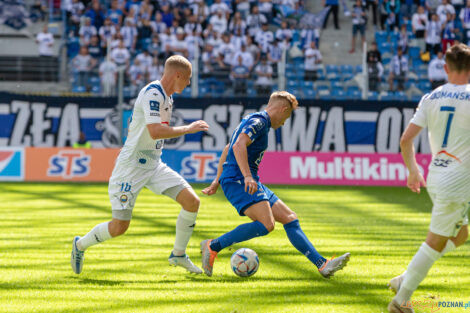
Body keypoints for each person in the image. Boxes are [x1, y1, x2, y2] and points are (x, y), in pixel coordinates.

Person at [71, 55, 210, 275]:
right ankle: (80, 245)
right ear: (178, 75)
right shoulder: (152, 94)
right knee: (119, 227)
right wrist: (187, 128)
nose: (189, 83)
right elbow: (155, 131)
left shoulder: (168, 97)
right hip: (131, 166)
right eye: (188, 78)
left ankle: (178, 254)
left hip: (153, 164)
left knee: (192, 202)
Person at [200, 91, 351, 277]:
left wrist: (217, 180)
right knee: (266, 224)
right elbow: (238, 146)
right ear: (283, 109)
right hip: (239, 180)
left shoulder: (253, 120)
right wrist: (247, 176)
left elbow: (228, 148)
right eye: (286, 117)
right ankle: (213, 245)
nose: (283, 123)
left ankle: (322, 264)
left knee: (290, 218)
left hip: (243, 179)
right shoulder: (260, 122)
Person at [387, 43, 470, 313]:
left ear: (445, 68)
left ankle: (405, 278)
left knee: (460, 235)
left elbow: (405, 139)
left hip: (437, 175)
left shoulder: (431, 97)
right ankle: (401, 301)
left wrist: (413, 170)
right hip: (459, 180)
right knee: (435, 240)